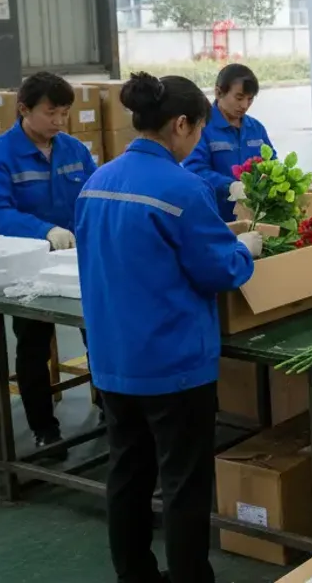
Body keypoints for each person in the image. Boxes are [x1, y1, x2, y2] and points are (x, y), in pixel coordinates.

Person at [75, 72, 259, 583]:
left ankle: (134, 574)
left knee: (128, 475)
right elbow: (217, 270)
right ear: (181, 124)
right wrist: (245, 251)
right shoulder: (183, 188)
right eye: (198, 129)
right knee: (183, 483)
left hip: (114, 363)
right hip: (174, 366)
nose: (198, 138)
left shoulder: (96, 182)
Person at [0, 72, 98, 457]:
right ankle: (44, 428)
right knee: (33, 343)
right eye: (51, 113)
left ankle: (108, 404)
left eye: (65, 113)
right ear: (24, 109)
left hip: (78, 260)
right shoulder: (3, 154)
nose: (59, 121)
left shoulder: (73, 149)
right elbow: (0, 211)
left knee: (97, 332)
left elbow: (93, 195)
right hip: (31, 265)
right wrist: (44, 231)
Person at [182, 63, 273, 222]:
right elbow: (195, 171)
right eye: (239, 98)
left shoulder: (256, 129)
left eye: (250, 99)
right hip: (215, 218)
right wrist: (230, 186)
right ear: (218, 92)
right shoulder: (202, 127)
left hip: (252, 217)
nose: (244, 105)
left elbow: (272, 164)